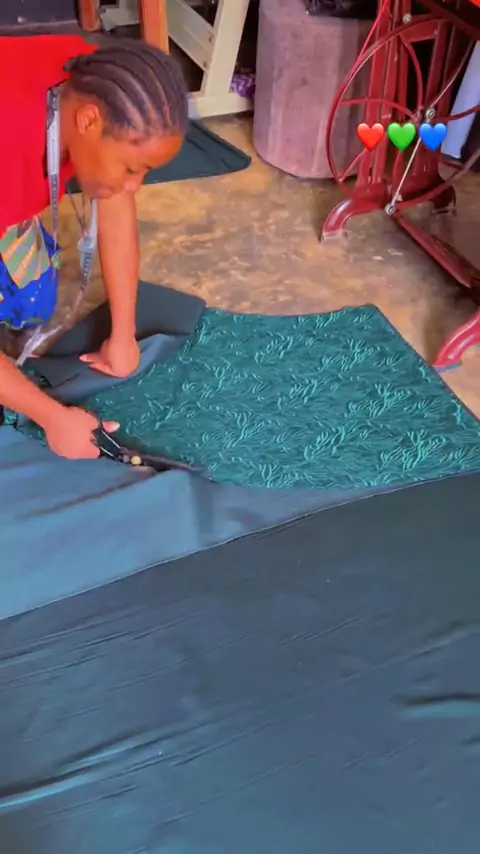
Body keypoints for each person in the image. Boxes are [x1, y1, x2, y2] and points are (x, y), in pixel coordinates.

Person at [0, 33, 188, 459]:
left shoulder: (95, 82)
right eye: (132, 169)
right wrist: (52, 418)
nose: (134, 185)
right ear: (88, 122)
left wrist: (123, 336)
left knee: (30, 300)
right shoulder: (8, 148)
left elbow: (117, 206)